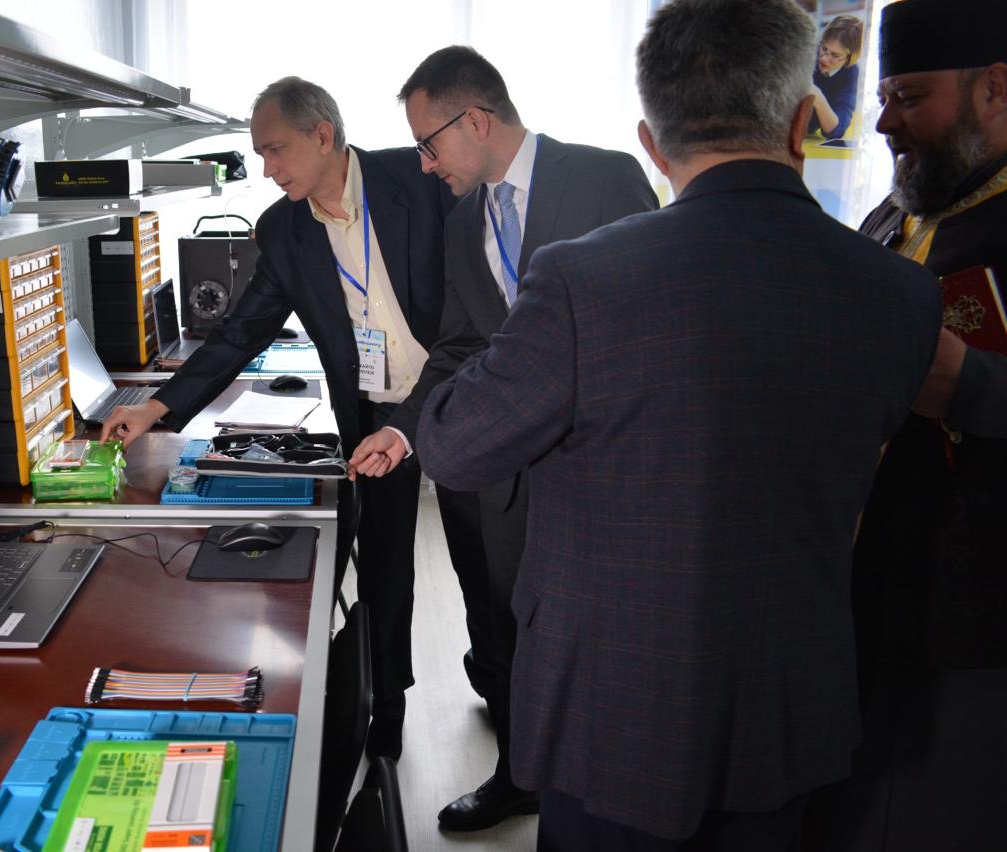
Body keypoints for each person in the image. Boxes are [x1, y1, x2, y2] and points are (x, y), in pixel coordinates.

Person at [413, 0, 943, 849]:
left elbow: (451, 445)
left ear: (652, 145)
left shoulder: (582, 282)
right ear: (803, 122)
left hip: (613, 713)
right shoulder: (904, 293)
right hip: (788, 710)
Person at [100, 76, 483, 762]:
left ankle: (503, 697)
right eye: (260, 154)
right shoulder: (283, 228)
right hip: (373, 414)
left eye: (276, 150)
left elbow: (480, 279)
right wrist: (158, 405)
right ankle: (388, 704)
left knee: (483, 559)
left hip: (458, 393)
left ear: (323, 136)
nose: (268, 169)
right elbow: (242, 329)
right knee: (386, 568)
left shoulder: (416, 179)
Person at [348, 45, 657, 832]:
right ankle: (520, 774)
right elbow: (461, 345)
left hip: (602, 469)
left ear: (476, 120)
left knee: (601, 635)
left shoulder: (606, 177)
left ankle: (606, 782)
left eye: (429, 144)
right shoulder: (462, 222)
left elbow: (653, 317)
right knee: (504, 623)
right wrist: (404, 430)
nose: (425, 164)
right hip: (502, 477)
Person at [802, 1, 1007, 848]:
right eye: (883, 98)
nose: (882, 122)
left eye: (909, 98)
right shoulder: (897, 213)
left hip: (973, 621)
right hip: (868, 587)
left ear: (995, 90)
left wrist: (974, 385)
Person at [808, 15, 864, 140]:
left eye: (835, 55)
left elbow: (837, 130)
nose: (824, 58)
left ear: (849, 59)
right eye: (824, 48)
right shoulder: (808, 51)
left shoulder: (850, 74)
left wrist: (817, 97)